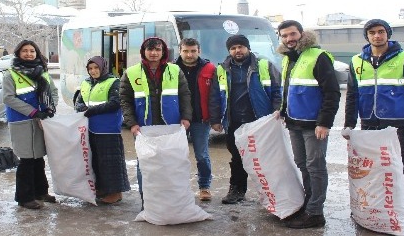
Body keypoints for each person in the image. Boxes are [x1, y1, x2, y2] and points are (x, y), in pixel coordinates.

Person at [342, 19, 404, 233]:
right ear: (367, 36)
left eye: (381, 32)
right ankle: (375, 209)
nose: (377, 36)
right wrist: (349, 124)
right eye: (372, 33)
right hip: (369, 123)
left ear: (387, 34)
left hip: (398, 123)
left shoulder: (403, 58)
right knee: (372, 169)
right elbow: (352, 95)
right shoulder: (356, 61)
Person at [276, 20, 341, 229]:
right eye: (284, 36)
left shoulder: (318, 57)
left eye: (293, 34)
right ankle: (309, 204)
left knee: (316, 167)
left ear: (302, 34)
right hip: (294, 123)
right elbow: (289, 89)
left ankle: (315, 213)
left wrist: (324, 123)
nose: (289, 39)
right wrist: (283, 110)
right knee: (303, 164)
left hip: (314, 125)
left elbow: (332, 92)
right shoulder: (289, 58)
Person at [120, 37, 192, 207]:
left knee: (170, 164)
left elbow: (185, 95)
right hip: (143, 128)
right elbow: (124, 100)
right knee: (145, 165)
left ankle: (170, 202)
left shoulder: (175, 70)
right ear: (143, 51)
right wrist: (132, 123)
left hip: (170, 126)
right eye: (150, 49)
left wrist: (186, 117)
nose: (154, 53)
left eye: (158, 50)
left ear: (163, 52)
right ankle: (148, 203)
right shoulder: (131, 73)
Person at [216, 34, 282, 204]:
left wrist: (277, 111)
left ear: (248, 48)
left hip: (260, 121)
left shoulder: (263, 65)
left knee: (265, 158)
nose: (237, 50)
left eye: (240, 46)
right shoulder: (222, 69)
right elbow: (216, 96)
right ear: (229, 51)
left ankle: (271, 193)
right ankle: (236, 190)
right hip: (234, 121)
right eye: (233, 48)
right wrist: (216, 118)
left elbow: (277, 90)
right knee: (237, 158)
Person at [3, 39, 59, 210]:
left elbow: (53, 92)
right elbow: (8, 98)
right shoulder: (11, 74)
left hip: (41, 122)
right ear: (19, 53)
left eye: (32, 51)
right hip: (22, 122)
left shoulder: (43, 73)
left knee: (38, 158)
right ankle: (24, 197)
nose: (29, 54)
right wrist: (33, 112)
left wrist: (50, 108)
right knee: (27, 160)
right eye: (25, 51)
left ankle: (41, 192)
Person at [75, 56, 130, 204]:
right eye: (90, 68)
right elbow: (79, 102)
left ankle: (115, 193)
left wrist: (91, 110)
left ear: (103, 67)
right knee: (96, 161)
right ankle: (101, 188)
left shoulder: (113, 82)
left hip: (108, 129)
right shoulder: (86, 83)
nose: (93, 71)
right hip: (90, 129)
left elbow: (115, 103)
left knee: (110, 162)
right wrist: (82, 108)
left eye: (96, 68)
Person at [173, 38, 222, 201]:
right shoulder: (171, 69)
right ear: (180, 51)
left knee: (201, 155)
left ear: (199, 51)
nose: (189, 54)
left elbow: (215, 95)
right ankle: (177, 188)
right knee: (176, 155)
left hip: (200, 120)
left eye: (193, 51)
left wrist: (215, 118)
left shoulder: (210, 69)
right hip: (176, 120)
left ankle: (204, 187)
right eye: (186, 51)